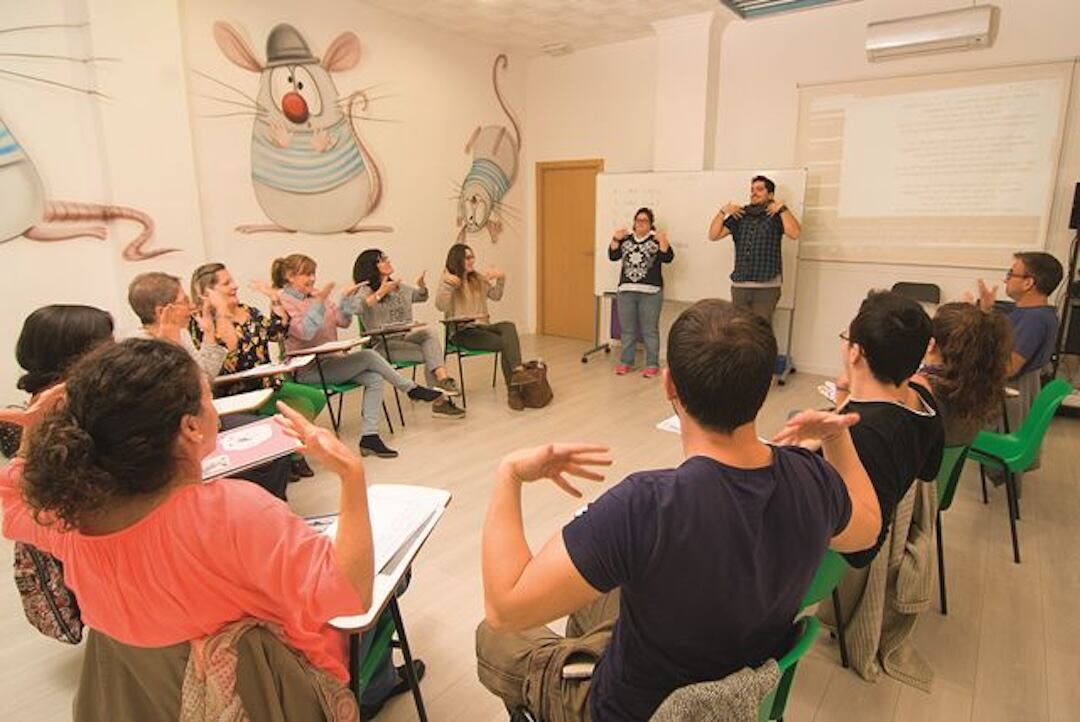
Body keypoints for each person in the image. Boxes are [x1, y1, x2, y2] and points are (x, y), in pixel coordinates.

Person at [475, 299, 882, 721]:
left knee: (492, 637)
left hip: (633, 711)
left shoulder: (645, 506)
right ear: (764, 388)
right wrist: (837, 439)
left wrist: (509, 475)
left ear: (670, 386)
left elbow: (505, 610)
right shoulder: (811, 478)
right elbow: (868, 531)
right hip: (736, 686)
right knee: (591, 595)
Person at [0, 338, 422, 717]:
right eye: (209, 398)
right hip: (268, 697)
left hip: (152, 701)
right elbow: (349, 597)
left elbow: (12, 503)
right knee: (393, 580)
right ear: (190, 426)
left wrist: (34, 433)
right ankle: (375, 691)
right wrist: (351, 476)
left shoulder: (69, 519)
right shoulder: (231, 514)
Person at [129, 271, 292, 499]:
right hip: (183, 434)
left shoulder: (181, 334)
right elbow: (177, 400)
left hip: (208, 417)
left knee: (277, 436)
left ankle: (272, 506)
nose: (190, 307)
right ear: (162, 311)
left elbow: (204, 377)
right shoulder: (139, 350)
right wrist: (171, 347)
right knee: (266, 451)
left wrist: (207, 334)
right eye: (184, 302)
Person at [273, 253, 444, 459]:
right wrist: (319, 302)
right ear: (290, 276)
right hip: (309, 368)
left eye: (313, 274)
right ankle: (411, 389)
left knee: (374, 377)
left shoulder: (318, 295)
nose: (312, 279)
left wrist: (344, 301)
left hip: (332, 362)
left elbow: (342, 322)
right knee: (369, 356)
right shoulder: (282, 301)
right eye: (306, 274)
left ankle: (369, 437)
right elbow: (305, 332)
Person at [830, 291, 945, 568]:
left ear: (856, 353)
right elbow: (929, 470)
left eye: (846, 338)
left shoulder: (860, 433)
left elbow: (862, 549)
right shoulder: (923, 398)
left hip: (829, 561)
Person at [190, 262, 325, 479]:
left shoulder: (248, 311)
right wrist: (222, 311)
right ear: (209, 291)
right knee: (300, 407)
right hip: (238, 391)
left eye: (232, 280)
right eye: (227, 283)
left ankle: (288, 451)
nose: (235, 285)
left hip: (268, 383)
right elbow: (228, 355)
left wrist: (274, 299)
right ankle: (291, 455)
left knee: (316, 399)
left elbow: (277, 332)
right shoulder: (202, 321)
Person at [975, 252, 1064, 481]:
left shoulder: (1033, 320)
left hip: (1009, 398)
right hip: (1016, 394)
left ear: (1028, 283)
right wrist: (985, 311)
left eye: (1010, 273)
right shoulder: (1034, 313)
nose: (1006, 279)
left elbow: (1008, 368)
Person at [352, 249, 465, 419]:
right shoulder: (365, 290)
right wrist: (380, 293)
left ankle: (443, 381)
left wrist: (422, 287)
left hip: (404, 337)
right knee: (431, 354)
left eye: (387, 258)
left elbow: (420, 296)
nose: (388, 261)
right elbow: (356, 308)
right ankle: (440, 403)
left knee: (429, 334)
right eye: (382, 260)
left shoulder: (397, 286)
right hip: (383, 346)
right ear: (371, 267)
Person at [435, 243, 527, 410]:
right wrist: (448, 286)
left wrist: (501, 278)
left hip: (482, 327)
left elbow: (496, 296)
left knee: (508, 327)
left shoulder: (477, 277)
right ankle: (514, 391)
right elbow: (440, 306)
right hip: (462, 332)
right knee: (506, 343)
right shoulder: (450, 280)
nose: (471, 261)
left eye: (472, 257)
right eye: (467, 258)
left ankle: (518, 371)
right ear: (458, 260)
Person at [911, 302, 1012, 446]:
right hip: (946, 466)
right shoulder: (981, 385)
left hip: (917, 465)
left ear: (931, 344)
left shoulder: (919, 389)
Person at [707, 175, 801, 324]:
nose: (753, 193)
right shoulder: (741, 215)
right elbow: (713, 235)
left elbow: (795, 233)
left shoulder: (777, 215)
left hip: (767, 285)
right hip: (740, 284)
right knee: (739, 330)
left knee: (760, 330)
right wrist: (722, 212)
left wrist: (783, 209)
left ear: (770, 195)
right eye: (752, 190)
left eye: (759, 189)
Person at [608, 207, 673, 377]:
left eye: (645, 221)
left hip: (651, 292)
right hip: (626, 291)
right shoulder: (626, 239)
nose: (640, 224)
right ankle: (625, 362)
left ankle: (652, 364)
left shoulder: (656, 240)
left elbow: (668, 258)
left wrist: (663, 241)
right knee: (627, 330)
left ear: (651, 224)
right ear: (634, 223)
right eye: (638, 220)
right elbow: (612, 255)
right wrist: (615, 238)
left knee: (649, 330)